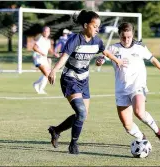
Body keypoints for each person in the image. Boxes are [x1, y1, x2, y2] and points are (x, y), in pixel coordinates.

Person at [47, 10, 125, 154]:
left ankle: (56, 130)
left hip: (84, 81)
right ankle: (73, 144)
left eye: (98, 27)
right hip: (70, 79)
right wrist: (54, 70)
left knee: (82, 115)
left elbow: (105, 52)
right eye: (95, 26)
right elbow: (64, 57)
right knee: (81, 112)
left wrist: (116, 60)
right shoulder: (75, 39)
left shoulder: (97, 41)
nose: (97, 29)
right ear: (85, 25)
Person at [96, 22, 160, 146]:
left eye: (129, 37)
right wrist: (99, 62)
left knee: (139, 112)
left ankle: (158, 132)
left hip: (137, 86)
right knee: (127, 125)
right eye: (123, 37)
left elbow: (152, 59)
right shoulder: (113, 49)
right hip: (121, 89)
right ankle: (142, 137)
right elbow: (102, 59)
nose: (126, 40)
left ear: (133, 35)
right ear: (119, 35)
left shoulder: (139, 47)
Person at [32, 26, 59, 94]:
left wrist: (54, 53)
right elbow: (34, 47)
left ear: (49, 32)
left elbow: (49, 49)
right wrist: (42, 53)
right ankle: (40, 89)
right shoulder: (40, 39)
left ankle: (36, 84)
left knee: (47, 74)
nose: (46, 32)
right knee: (47, 74)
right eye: (45, 31)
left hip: (44, 59)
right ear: (43, 32)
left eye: (47, 31)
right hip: (38, 59)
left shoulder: (48, 40)